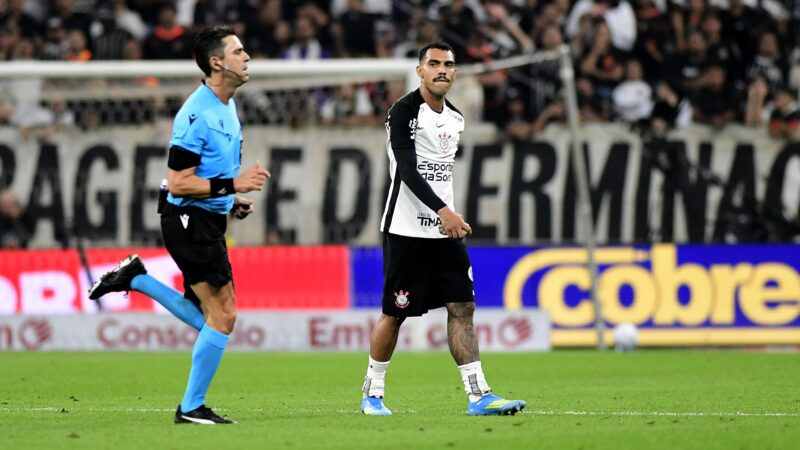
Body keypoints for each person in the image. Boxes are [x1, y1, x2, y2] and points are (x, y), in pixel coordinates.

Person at [88, 25, 270, 425]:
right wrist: (234, 184)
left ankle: (137, 279)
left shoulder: (226, 104)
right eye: (239, 51)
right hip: (188, 221)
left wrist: (229, 200)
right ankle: (190, 407)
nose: (247, 57)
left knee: (213, 318)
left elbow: (204, 176)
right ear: (216, 62)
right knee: (223, 317)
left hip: (204, 217)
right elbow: (180, 181)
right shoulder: (196, 114)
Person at [360, 42, 526, 417]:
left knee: (463, 305)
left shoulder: (455, 118)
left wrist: (446, 217)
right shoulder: (402, 112)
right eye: (433, 63)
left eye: (449, 65)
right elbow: (407, 171)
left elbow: (440, 173)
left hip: (444, 232)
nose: (442, 70)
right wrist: (444, 211)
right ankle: (373, 393)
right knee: (395, 312)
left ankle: (478, 395)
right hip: (405, 229)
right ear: (419, 70)